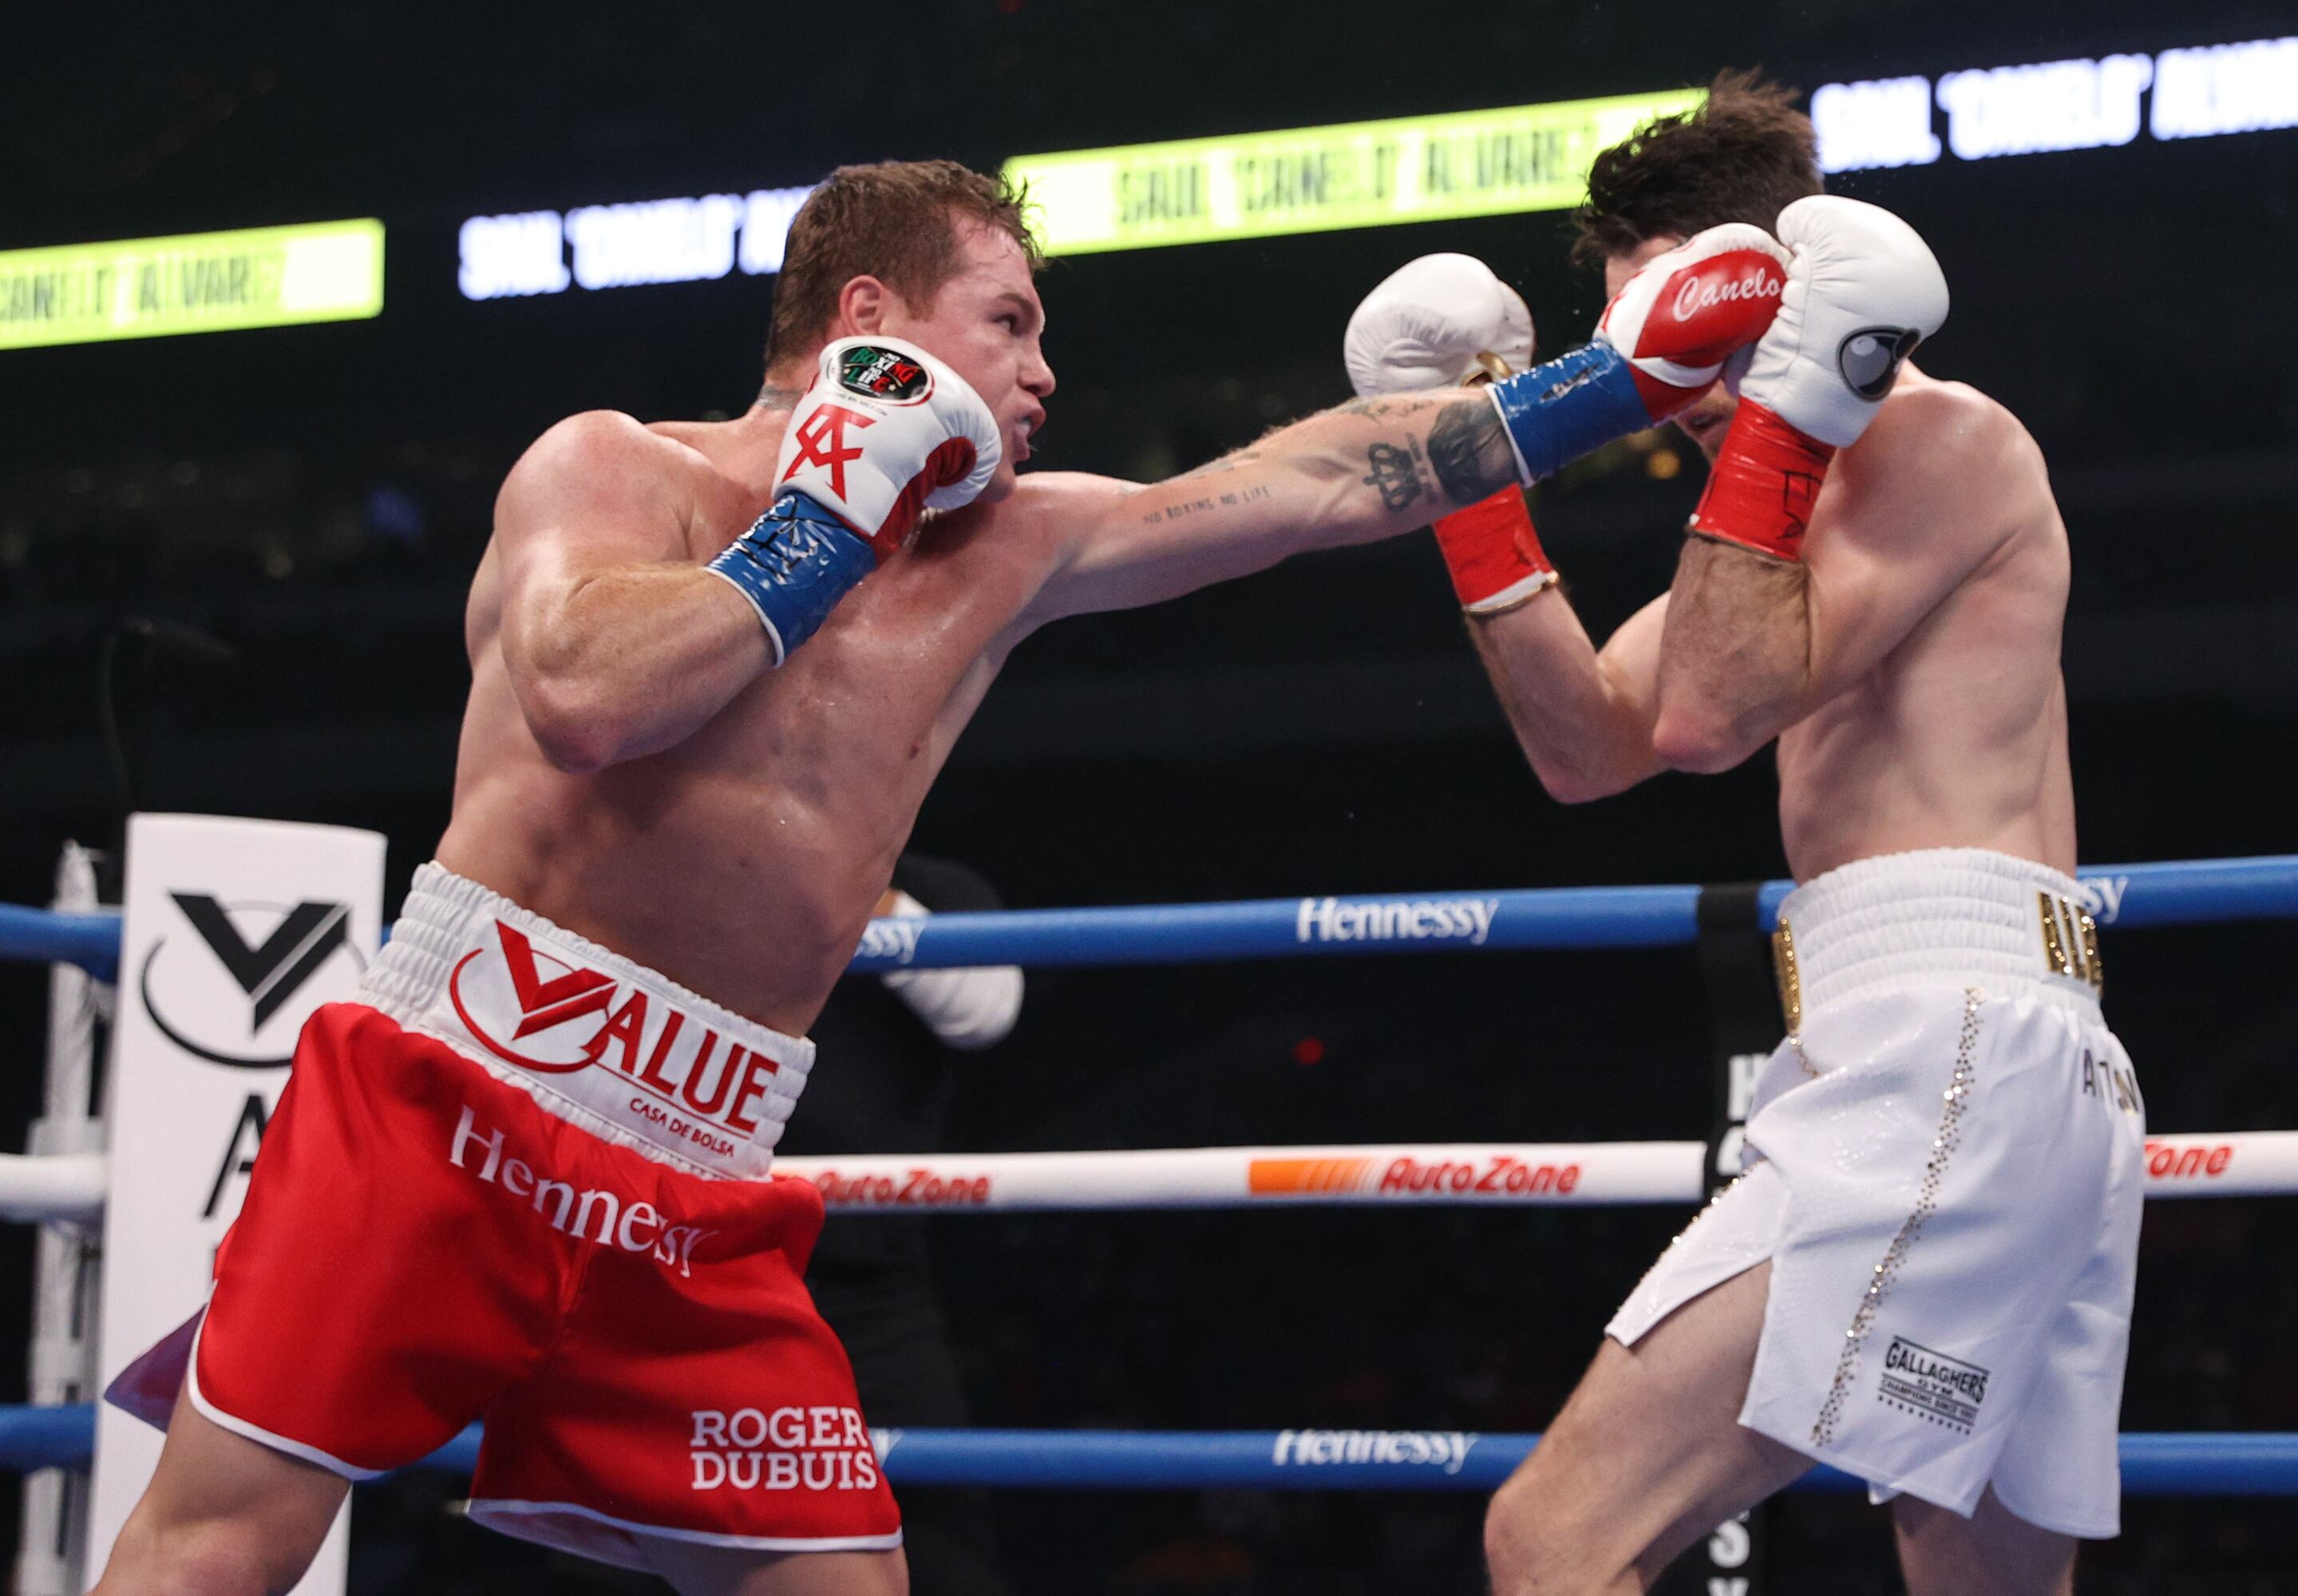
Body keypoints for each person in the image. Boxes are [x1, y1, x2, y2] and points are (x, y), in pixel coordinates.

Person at [93, 156, 1755, 1596]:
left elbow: (1313, 485)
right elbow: (593, 699)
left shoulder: (1016, 549)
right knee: (223, 1542)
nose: (1045, 372)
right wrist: (829, 511)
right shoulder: (619, 470)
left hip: (694, 1163)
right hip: (456, 1092)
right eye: (1012, 322)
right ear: (874, 312)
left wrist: (1619, 384)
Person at [1345, 74, 2143, 1595]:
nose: (1673, 386)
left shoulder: (1940, 442)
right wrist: (1468, 479)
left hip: (1953, 1048)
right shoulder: (1775, 524)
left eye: (1698, 332)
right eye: (1648, 349)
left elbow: (1710, 716)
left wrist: (1787, 409)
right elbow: (1589, 749)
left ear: (1787, 297)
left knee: (1554, 1534)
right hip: (1957, 1050)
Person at [791, 855, 1022, 1596]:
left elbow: (989, 1010)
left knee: (940, 1547)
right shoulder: (664, 863)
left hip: (868, 1283)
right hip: (683, 1261)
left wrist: (837, 876)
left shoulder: (933, 884)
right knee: (642, 1532)